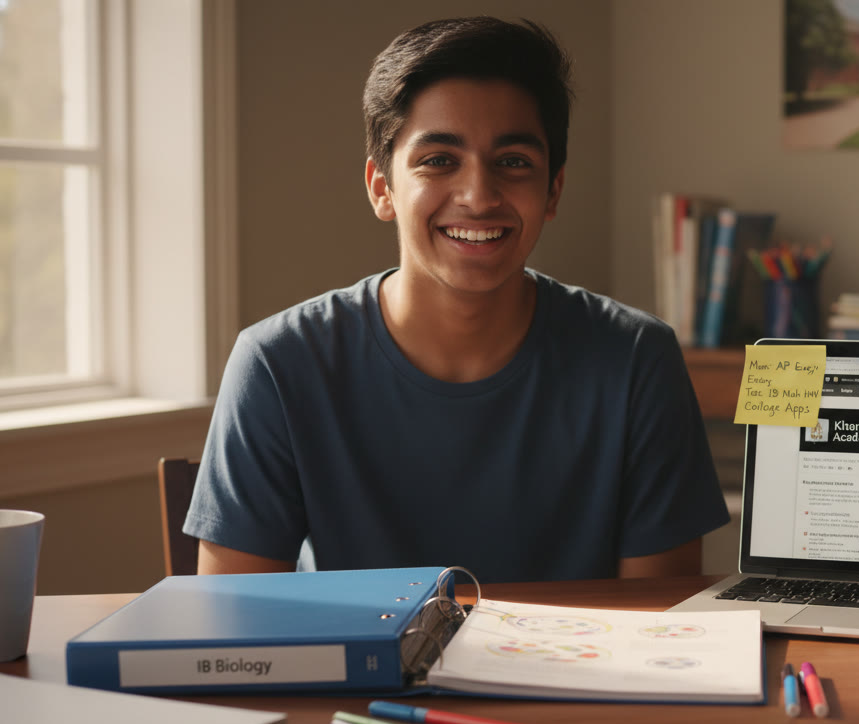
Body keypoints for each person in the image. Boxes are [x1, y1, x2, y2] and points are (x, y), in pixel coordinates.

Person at [183, 17, 728, 582]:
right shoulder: (278, 363)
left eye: (513, 162)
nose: (478, 195)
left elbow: (663, 626)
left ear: (553, 191)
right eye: (439, 160)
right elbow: (239, 628)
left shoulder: (637, 358)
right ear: (382, 188)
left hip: (573, 671)